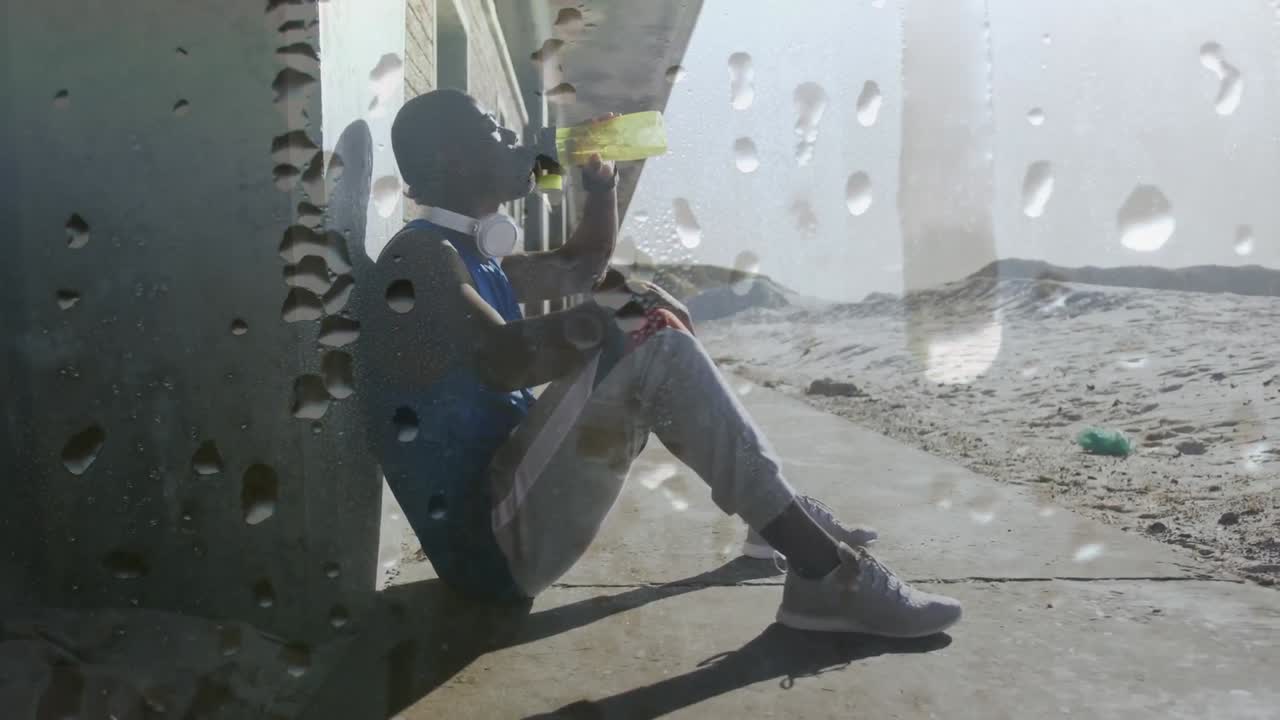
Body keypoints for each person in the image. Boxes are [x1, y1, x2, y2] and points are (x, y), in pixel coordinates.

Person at [356, 89, 961, 638]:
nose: (517, 141)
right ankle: (825, 575)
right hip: (492, 547)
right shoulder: (422, 260)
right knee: (641, 320)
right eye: (495, 131)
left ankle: (774, 518)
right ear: (447, 163)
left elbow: (581, 264)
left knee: (635, 305)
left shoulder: (468, 256)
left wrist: (599, 188)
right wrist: (618, 318)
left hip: (513, 501)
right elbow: (501, 360)